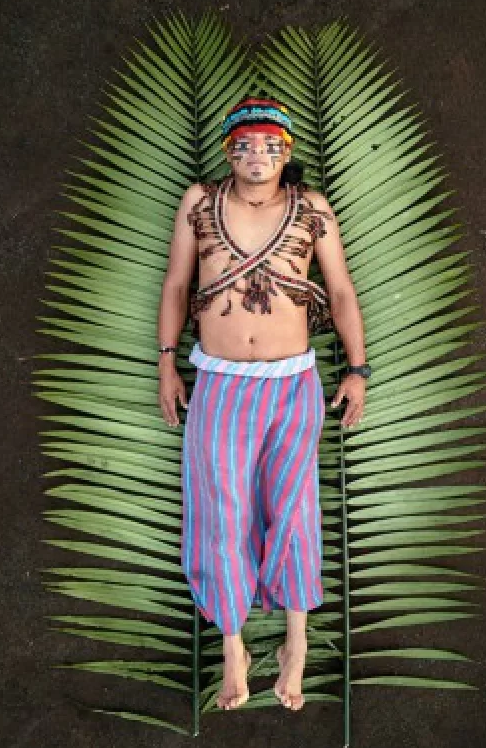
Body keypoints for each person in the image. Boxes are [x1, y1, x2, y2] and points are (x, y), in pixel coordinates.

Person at [154, 96, 371, 712]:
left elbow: (340, 290)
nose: (258, 155)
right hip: (218, 383)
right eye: (246, 145)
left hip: (291, 384)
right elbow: (177, 283)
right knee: (218, 513)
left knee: (294, 507)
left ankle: (295, 644)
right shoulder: (199, 203)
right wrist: (166, 362)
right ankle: (233, 647)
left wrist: (358, 370)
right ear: (229, 152)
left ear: (287, 152)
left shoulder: (312, 208)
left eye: (271, 145)